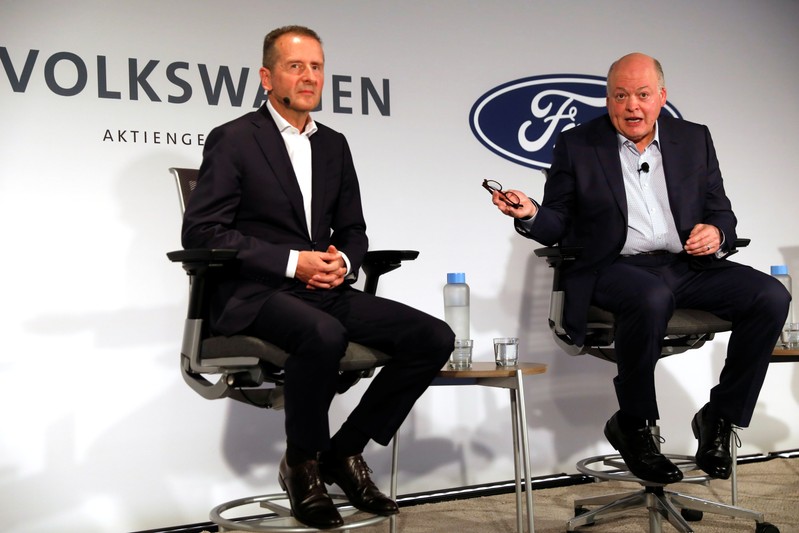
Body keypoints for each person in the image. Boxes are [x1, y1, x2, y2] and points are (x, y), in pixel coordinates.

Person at [182, 25, 454, 529]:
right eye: (295, 66)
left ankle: (343, 451)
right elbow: (202, 232)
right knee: (322, 334)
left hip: (321, 289)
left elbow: (353, 228)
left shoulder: (334, 145)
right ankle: (302, 464)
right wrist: (293, 261)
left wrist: (344, 263)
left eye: (316, 67)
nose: (309, 77)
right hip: (253, 292)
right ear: (267, 76)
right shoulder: (236, 139)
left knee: (433, 337)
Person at [491, 52, 790, 485]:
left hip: (685, 265)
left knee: (770, 296)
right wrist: (530, 212)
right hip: (613, 267)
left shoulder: (694, 139)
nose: (632, 105)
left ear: (661, 97)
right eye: (621, 95)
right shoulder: (578, 144)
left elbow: (721, 210)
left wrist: (717, 234)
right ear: (609, 99)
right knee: (651, 296)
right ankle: (634, 423)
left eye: (643, 95)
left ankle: (721, 417)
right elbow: (556, 221)